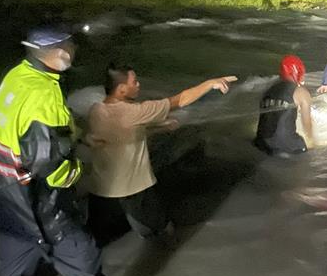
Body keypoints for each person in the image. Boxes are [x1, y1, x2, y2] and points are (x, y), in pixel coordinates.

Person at [0, 26, 112, 276]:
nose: (73, 51)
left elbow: (31, 131)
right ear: (58, 53)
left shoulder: (18, 75)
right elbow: (49, 165)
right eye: (70, 47)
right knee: (82, 252)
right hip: (37, 196)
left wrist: (77, 135)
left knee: (14, 246)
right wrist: (76, 174)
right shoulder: (45, 95)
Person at [84, 65, 237, 243]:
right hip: (132, 189)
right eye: (135, 82)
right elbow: (180, 100)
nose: (139, 84)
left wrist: (158, 127)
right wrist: (211, 83)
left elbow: (119, 133)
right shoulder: (135, 112)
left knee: (103, 238)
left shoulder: (97, 110)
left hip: (101, 189)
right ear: (122, 89)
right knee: (160, 231)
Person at [254, 55, 314, 156]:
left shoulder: (268, 90)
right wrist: (312, 142)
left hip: (261, 144)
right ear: (298, 72)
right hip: (288, 146)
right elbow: (307, 123)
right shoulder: (301, 92)